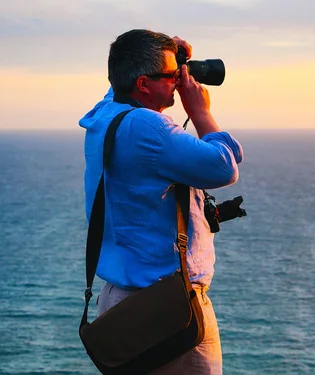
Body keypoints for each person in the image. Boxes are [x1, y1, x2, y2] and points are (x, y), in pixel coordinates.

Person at [79, 29, 243, 374]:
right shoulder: (146, 127)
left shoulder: (106, 114)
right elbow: (223, 166)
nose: (179, 80)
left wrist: (169, 55)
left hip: (119, 302)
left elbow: (120, 85)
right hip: (167, 306)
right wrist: (200, 111)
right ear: (142, 83)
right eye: (171, 76)